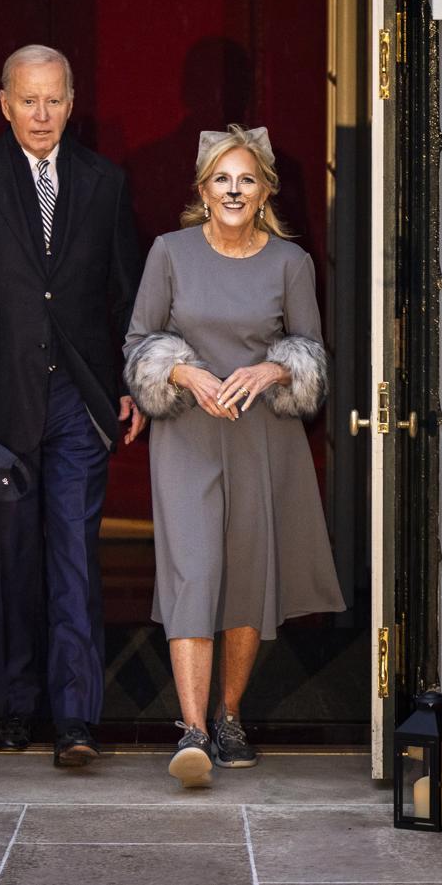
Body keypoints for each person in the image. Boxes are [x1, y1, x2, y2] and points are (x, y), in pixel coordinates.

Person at [0, 44, 144, 766]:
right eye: (29, 100)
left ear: (71, 102)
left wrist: (130, 380)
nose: (42, 114)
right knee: (12, 561)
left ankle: (76, 718)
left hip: (78, 401)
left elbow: (126, 295)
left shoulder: (103, 181)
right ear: (4, 102)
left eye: (54, 99)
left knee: (76, 558)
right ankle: (18, 706)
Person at [122, 125, 343, 789]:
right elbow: (138, 342)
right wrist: (185, 373)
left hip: (261, 441)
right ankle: (190, 729)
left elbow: (312, 354)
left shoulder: (290, 263)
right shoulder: (169, 253)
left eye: (247, 178)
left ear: (266, 188)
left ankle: (228, 715)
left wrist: (273, 371)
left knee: (246, 573)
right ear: (203, 189)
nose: (234, 189)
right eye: (223, 178)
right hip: (187, 434)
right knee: (193, 569)